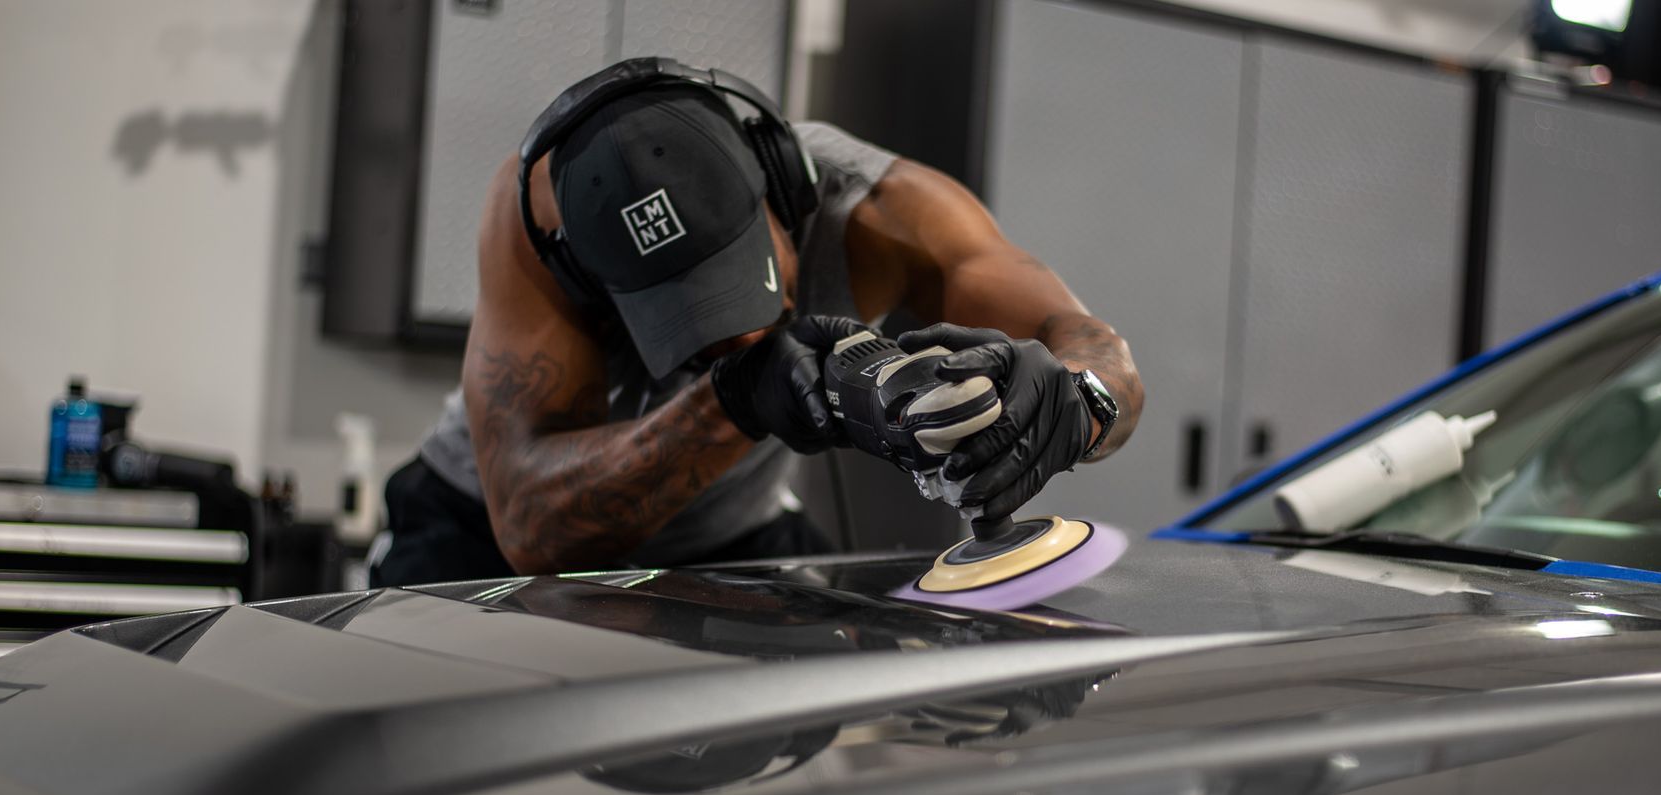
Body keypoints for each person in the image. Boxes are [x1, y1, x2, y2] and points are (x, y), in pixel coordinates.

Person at [370, 58, 1142, 586]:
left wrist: (1075, 401)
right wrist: (738, 397)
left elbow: (1094, 347)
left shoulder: (878, 210)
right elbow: (531, 530)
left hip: (733, 532)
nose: (731, 338)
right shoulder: (535, 224)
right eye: (682, 318)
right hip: (478, 530)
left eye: (740, 286)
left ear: (784, 187)